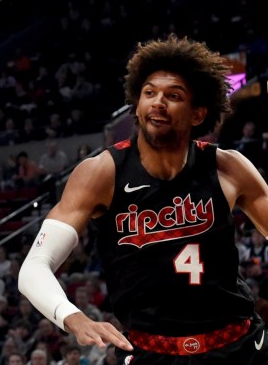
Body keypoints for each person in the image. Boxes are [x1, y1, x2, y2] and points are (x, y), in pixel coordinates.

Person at [19, 35, 268, 362]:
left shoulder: (228, 167)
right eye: (149, 93)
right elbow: (34, 267)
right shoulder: (101, 174)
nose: (158, 102)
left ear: (197, 114)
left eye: (173, 95)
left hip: (238, 345)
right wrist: (71, 316)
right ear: (136, 106)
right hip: (153, 351)